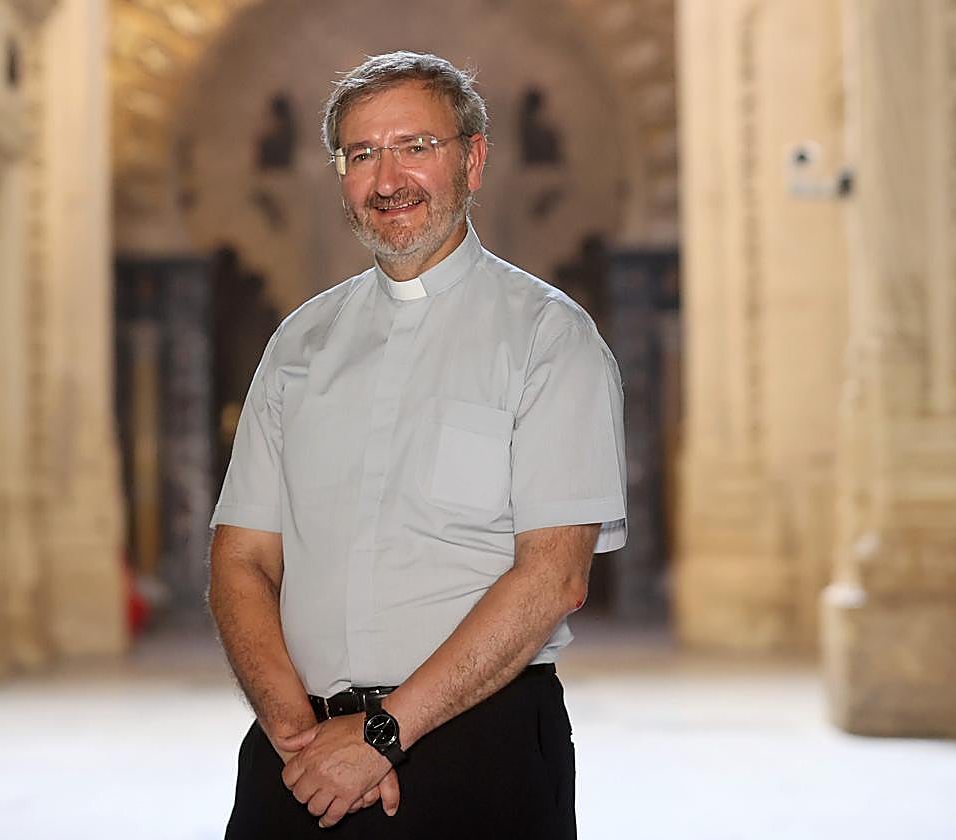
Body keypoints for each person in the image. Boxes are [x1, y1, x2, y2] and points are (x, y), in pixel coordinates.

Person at [208, 51, 627, 839]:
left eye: (415, 147)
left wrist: (381, 736)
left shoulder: (549, 338)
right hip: (297, 757)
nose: (387, 178)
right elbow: (242, 558)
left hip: (481, 752)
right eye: (362, 154)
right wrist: (298, 736)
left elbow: (553, 578)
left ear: (473, 160)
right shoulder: (299, 343)